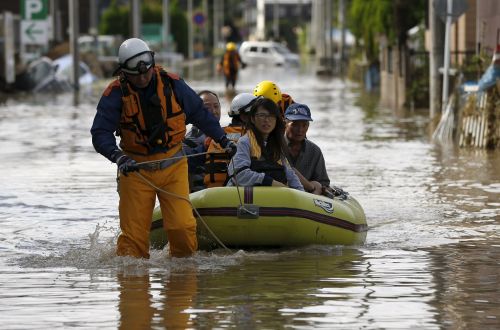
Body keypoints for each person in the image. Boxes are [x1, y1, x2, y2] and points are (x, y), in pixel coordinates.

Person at [90, 38, 236, 259]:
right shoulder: (115, 95)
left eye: (146, 71)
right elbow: (100, 133)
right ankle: (133, 288)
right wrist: (117, 156)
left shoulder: (173, 84)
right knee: (133, 244)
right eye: (135, 74)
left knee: (182, 229)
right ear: (123, 73)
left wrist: (223, 141)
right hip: (135, 170)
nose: (142, 77)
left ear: (152, 63)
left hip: (173, 167)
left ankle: (181, 285)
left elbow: (200, 114)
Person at [226, 97, 304, 190]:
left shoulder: (277, 144)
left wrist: (300, 192)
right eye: (262, 115)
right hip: (246, 197)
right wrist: (270, 182)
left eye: (271, 116)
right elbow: (238, 174)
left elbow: (290, 175)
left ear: (276, 120)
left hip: (273, 196)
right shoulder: (244, 142)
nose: (267, 120)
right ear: (253, 119)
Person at [204, 93, 258, 188]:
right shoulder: (252, 137)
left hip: (211, 193)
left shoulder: (216, 135)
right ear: (244, 116)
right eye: (257, 114)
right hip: (235, 193)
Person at [283, 103, 330, 195]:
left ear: (308, 126)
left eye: (304, 125)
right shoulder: (274, 146)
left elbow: (323, 183)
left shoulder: (314, 151)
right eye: (295, 125)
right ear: (285, 123)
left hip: (306, 202)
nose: (300, 130)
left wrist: (319, 188)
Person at [183, 90, 221, 192]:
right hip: (199, 196)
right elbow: (183, 171)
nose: (213, 111)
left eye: (216, 106)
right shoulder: (189, 140)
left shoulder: (226, 136)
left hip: (222, 194)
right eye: (207, 108)